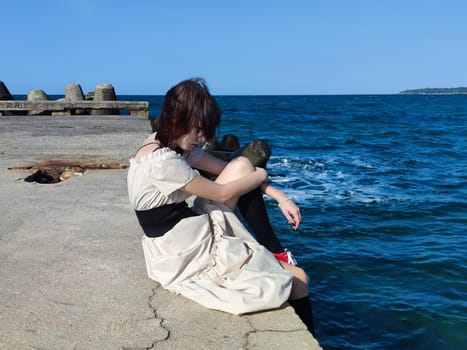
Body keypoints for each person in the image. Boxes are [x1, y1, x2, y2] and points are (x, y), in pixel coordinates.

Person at [127, 78, 314, 334]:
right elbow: (223, 191)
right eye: (199, 130)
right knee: (299, 280)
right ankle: (276, 254)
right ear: (180, 120)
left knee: (241, 166)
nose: (203, 137)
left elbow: (230, 171)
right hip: (185, 255)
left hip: (187, 234)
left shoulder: (161, 143)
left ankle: (275, 252)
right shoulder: (163, 163)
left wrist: (279, 195)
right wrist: (261, 176)